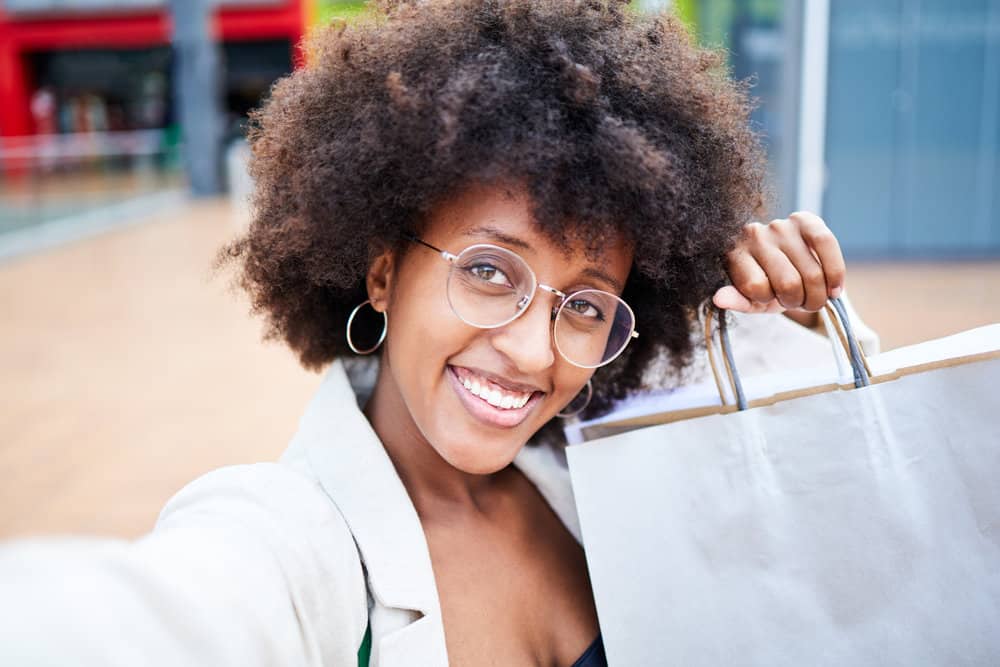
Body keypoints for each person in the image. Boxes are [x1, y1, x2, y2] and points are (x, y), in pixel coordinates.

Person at [0, 1, 859, 665]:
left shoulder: (591, 463)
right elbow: (151, 615)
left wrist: (787, 320)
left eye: (585, 303)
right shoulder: (289, 539)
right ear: (383, 269)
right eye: (488, 270)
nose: (532, 350)